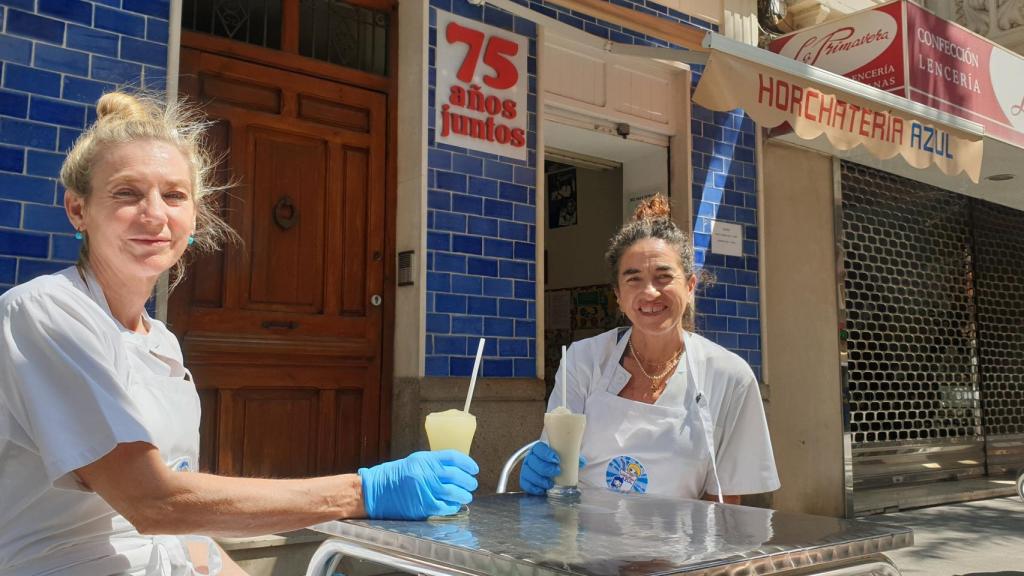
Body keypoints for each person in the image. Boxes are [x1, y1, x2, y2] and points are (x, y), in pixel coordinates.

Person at [0, 92, 479, 576]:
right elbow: (153, 502)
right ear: (78, 211)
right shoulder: (43, 312)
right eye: (126, 193)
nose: (154, 214)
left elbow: (184, 529)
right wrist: (361, 493)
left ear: (194, 216)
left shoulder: (161, 342)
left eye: (174, 195)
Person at [520, 195, 779, 503]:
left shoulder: (730, 376)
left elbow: (725, 502)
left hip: (682, 547)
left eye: (663, 277)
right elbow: (556, 464)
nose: (650, 292)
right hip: (583, 541)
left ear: (691, 285)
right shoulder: (582, 359)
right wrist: (541, 472)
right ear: (617, 294)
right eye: (634, 280)